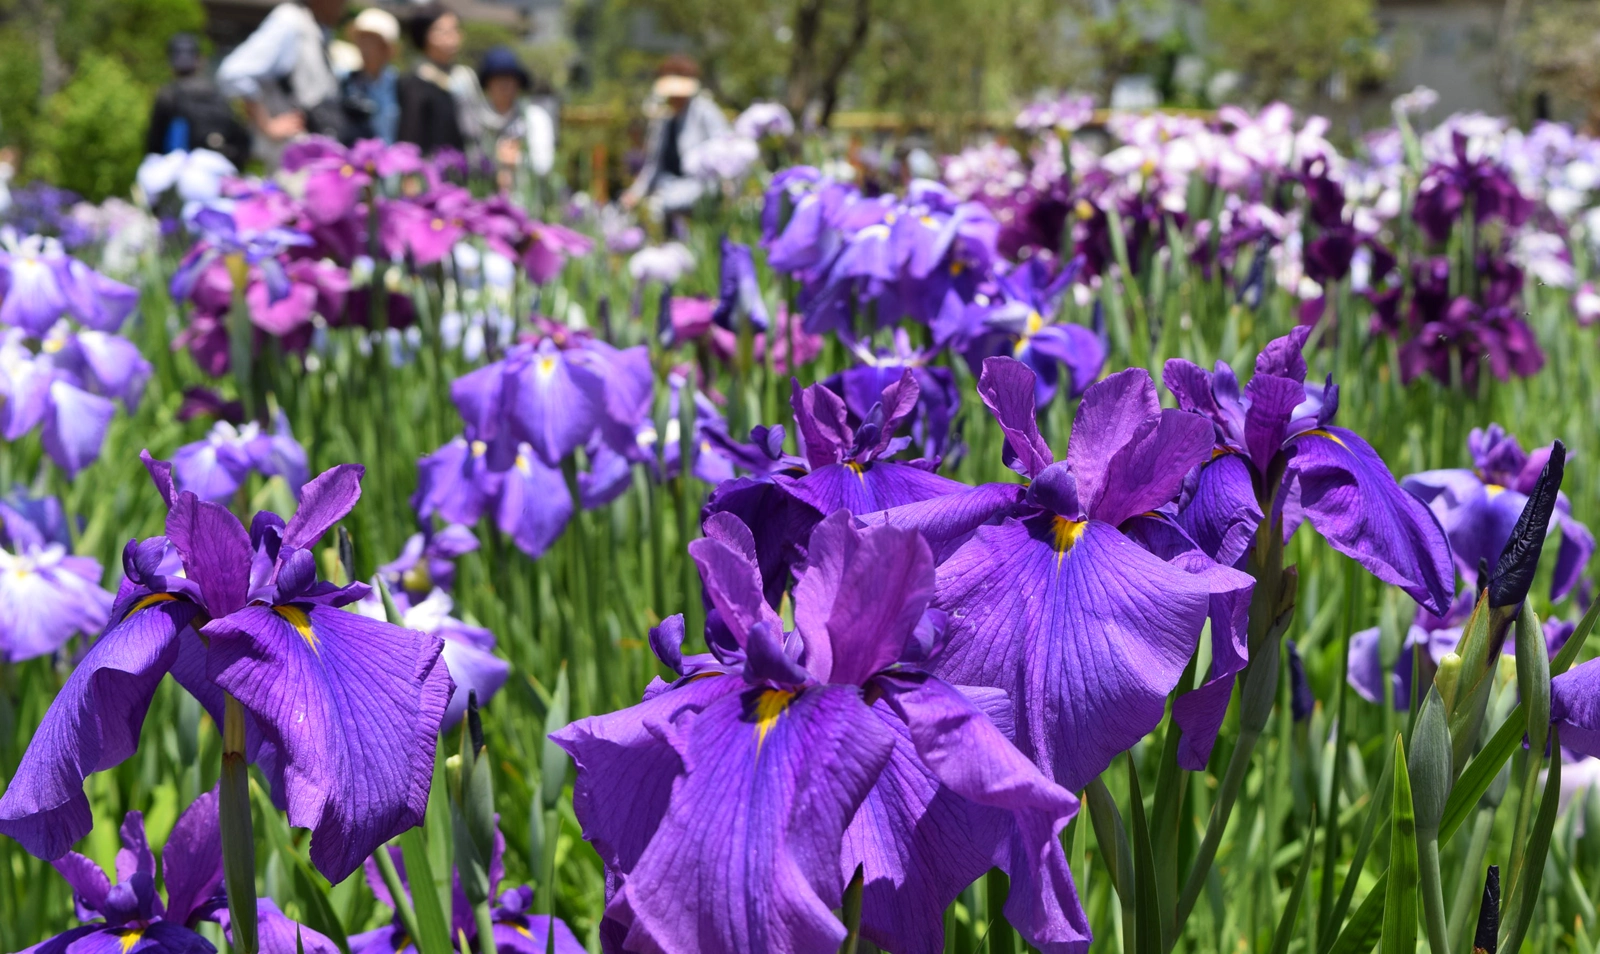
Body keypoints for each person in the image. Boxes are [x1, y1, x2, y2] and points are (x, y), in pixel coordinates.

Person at [216, 0, 348, 167]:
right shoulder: (290, 21)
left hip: (314, 154)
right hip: (293, 157)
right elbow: (234, 73)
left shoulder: (314, 26)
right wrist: (267, 125)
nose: (344, 5)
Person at [620, 55, 731, 226]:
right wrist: (634, 194)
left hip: (700, 187)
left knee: (656, 207)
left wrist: (727, 185)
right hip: (667, 187)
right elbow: (652, 165)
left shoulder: (704, 112)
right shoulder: (663, 120)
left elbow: (725, 148)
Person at [145, 34, 251, 167]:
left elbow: (154, 143)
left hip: (179, 167)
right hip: (219, 164)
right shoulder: (218, 92)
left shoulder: (167, 94)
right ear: (200, 60)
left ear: (171, 63)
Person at [470, 45, 556, 185]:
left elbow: (544, 164)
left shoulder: (535, 117)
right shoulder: (474, 117)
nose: (504, 85)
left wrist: (517, 159)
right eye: (498, 78)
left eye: (510, 78)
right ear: (487, 83)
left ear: (518, 82)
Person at [397, 4, 469, 155]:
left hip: (458, 166)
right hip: (430, 168)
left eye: (455, 29)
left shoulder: (462, 77)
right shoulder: (416, 80)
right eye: (444, 31)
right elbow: (410, 132)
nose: (453, 37)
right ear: (425, 34)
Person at [340, 7, 401, 143]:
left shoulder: (401, 86)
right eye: (362, 40)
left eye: (372, 41)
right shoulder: (345, 83)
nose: (365, 47)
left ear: (386, 48)